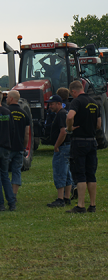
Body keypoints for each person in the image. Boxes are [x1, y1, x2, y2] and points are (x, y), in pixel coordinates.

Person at [66, 80, 101, 213]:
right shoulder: (94, 102)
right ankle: (92, 205)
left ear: (74, 91)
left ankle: (80, 206)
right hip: (92, 141)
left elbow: (70, 117)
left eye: (71, 93)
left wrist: (70, 128)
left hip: (79, 141)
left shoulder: (77, 102)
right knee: (91, 174)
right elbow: (98, 125)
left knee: (80, 174)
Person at [46, 95, 73, 208]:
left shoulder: (61, 114)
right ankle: (67, 197)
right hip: (67, 146)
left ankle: (60, 199)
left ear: (59, 104)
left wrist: (56, 146)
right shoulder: (64, 113)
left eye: (52, 104)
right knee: (66, 173)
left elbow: (63, 131)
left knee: (59, 172)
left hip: (62, 147)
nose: (50, 106)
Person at [6, 90, 30, 201]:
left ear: (11, 99)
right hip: (19, 147)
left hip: (7, 147)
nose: (6, 99)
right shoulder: (24, 114)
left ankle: (4, 193)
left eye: (7, 97)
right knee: (16, 171)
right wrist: (24, 147)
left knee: (3, 171)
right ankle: (14, 195)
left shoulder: (5, 112)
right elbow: (26, 134)